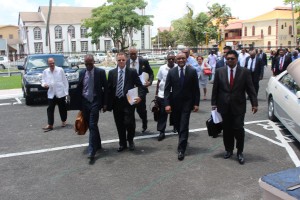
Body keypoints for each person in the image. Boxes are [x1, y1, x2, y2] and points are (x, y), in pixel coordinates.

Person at [211, 50, 258, 165]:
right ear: (225, 60)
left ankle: (240, 152)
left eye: (232, 58)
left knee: (238, 129)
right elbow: (215, 89)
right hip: (224, 106)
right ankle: (228, 150)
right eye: (228, 59)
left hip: (239, 106)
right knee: (227, 130)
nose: (230, 60)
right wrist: (213, 104)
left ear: (237, 59)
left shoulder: (244, 72)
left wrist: (254, 103)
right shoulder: (219, 72)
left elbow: (250, 89)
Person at [70, 54, 108, 163]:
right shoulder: (82, 73)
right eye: (86, 64)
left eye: (90, 64)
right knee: (92, 126)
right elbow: (79, 88)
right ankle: (98, 143)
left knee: (92, 124)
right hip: (85, 102)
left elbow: (105, 88)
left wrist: (105, 103)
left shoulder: (100, 72)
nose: (88, 66)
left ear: (94, 62)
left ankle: (92, 150)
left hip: (95, 101)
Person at [108, 52, 146, 152]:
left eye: (123, 60)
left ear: (126, 60)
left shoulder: (132, 72)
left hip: (128, 102)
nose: (121, 62)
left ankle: (130, 141)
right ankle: (122, 143)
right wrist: (106, 104)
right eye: (119, 60)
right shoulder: (112, 73)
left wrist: (140, 97)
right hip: (116, 102)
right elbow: (109, 89)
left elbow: (140, 86)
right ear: (116, 61)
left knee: (129, 123)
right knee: (119, 124)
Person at [164, 52, 200, 161]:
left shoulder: (192, 71)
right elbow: (167, 89)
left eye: (183, 58)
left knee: (184, 125)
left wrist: (196, 103)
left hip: (187, 104)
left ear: (186, 59)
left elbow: (196, 89)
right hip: (175, 104)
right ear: (176, 60)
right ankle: (182, 139)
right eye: (178, 58)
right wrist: (167, 104)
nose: (181, 60)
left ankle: (181, 150)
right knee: (178, 125)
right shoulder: (172, 72)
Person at [126, 47, 154, 133]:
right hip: (130, 90)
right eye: (131, 54)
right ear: (129, 54)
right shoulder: (126, 62)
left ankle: (144, 122)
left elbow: (151, 73)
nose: (133, 56)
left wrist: (149, 82)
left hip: (141, 89)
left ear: (137, 53)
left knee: (141, 110)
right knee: (130, 110)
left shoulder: (143, 62)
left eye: (134, 54)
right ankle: (132, 129)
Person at [41, 57, 69, 132]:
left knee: (62, 108)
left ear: (54, 62)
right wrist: (44, 85)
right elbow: (43, 80)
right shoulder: (45, 71)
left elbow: (65, 81)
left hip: (60, 92)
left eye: (53, 63)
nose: (52, 64)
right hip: (51, 93)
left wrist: (66, 92)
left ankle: (64, 120)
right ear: (48, 64)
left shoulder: (60, 70)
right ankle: (50, 124)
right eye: (50, 63)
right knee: (50, 109)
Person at [155, 53, 177, 141]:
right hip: (163, 94)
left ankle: (176, 126)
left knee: (175, 112)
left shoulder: (177, 68)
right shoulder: (162, 68)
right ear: (167, 59)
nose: (171, 61)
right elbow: (159, 81)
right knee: (163, 113)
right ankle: (161, 131)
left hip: (175, 94)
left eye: (172, 59)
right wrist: (156, 94)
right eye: (169, 59)